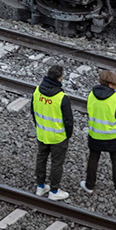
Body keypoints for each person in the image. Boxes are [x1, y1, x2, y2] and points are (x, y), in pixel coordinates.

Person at [30, 64, 73, 201]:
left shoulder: (37, 92)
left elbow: (33, 112)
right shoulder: (62, 98)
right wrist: (68, 135)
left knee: (41, 158)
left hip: (42, 133)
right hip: (58, 137)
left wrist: (39, 126)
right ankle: (54, 190)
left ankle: (40, 186)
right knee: (56, 163)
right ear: (59, 79)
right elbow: (68, 121)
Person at [82, 70, 116, 193]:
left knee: (93, 158)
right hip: (114, 136)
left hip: (96, 134)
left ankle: (89, 186)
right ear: (112, 84)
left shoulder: (91, 94)